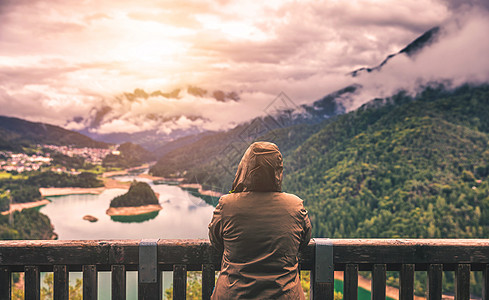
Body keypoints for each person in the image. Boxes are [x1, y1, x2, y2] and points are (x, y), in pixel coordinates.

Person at [208, 141, 312, 299]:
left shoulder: (227, 204)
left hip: (234, 294)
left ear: (245, 168)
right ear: (278, 171)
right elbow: (303, 242)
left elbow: (216, 241)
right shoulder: (295, 205)